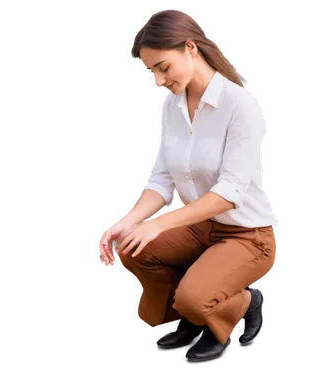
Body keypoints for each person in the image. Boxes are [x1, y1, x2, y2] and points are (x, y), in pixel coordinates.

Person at [98, 7, 279, 364]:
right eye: (151, 72)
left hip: (248, 235)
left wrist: (160, 223)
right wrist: (123, 224)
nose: (157, 80)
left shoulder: (241, 104)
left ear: (191, 48)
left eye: (162, 67)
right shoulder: (173, 106)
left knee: (195, 297)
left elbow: (230, 193)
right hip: (199, 229)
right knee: (132, 246)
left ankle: (240, 303)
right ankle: (184, 313)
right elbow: (162, 178)